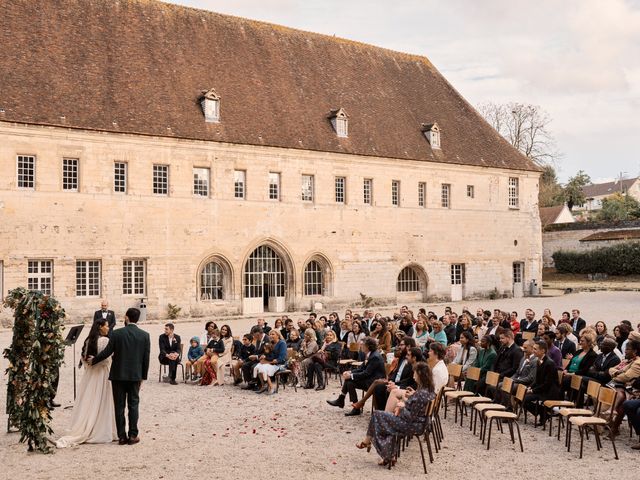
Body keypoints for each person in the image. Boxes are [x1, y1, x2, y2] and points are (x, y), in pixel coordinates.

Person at [355, 362, 436, 466]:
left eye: (415, 373)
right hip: (419, 423)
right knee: (383, 420)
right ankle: (385, 453)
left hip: (412, 425)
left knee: (378, 416)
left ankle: (374, 446)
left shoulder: (421, 394)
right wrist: (410, 397)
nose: (413, 375)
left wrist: (401, 407)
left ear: (420, 374)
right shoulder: (427, 390)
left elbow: (411, 416)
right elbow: (418, 408)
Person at [90, 307, 150, 445]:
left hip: (118, 375)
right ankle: (133, 435)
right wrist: (143, 377)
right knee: (133, 405)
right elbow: (146, 359)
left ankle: (122, 436)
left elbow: (107, 352)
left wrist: (93, 360)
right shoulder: (144, 335)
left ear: (127, 318)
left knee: (119, 405)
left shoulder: (116, 333)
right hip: (135, 375)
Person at [56, 319, 116, 448]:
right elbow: (108, 359)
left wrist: (90, 364)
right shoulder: (105, 341)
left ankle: (87, 425)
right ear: (100, 327)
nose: (108, 328)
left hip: (90, 376)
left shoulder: (88, 341)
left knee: (90, 401)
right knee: (103, 401)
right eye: (106, 326)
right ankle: (102, 428)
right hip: (103, 374)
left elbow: (84, 360)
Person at [327, 337, 386, 416]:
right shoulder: (369, 354)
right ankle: (351, 404)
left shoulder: (375, 356)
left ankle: (344, 401)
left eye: (362, 345)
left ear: (368, 346)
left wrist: (351, 375)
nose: (360, 346)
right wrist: (350, 372)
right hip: (369, 378)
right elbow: (361, 368)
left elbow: (366, 373)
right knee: (349, 381)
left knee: (349, 380)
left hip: (374, 382)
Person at [523, 341, 562, 424]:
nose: (533, 351)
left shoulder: (549, 363)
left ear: (543, 351)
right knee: (521, 395)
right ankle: (543, 413)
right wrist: (530, 387)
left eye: (535, 349)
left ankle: (543, 412)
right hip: (542, 388)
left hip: (549, 392)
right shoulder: (539, 360)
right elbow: (537, 379)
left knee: (525, 399)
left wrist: (533, 391)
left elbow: (547, 383)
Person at [254, 330, 288, 395]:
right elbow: (267, 353)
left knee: (264, 369)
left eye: (273, 334)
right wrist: (264, 356)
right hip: (271, 362)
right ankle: (264, 385)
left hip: (279, 364)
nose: (271, 336)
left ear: (278, 335)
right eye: (270, 334)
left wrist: (268, 362)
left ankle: (271, 387)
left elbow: (282, 357)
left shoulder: (282, 343)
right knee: (259, 367)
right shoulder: (270, 343)